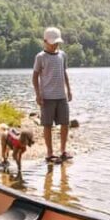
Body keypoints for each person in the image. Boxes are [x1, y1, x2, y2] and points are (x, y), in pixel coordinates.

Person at [33, 26, 73, 163]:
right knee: (47, 125)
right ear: (45, 41)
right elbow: (35, 76)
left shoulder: (62, 55)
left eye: (57, 42)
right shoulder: (40, 57)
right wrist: (38, 95)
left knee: (65, 123)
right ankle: (50, 153)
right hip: (47, 98)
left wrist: (69, 89)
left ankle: (63, 150)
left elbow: (64, 73)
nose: (55, 44)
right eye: (52, 42)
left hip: (61, 96)